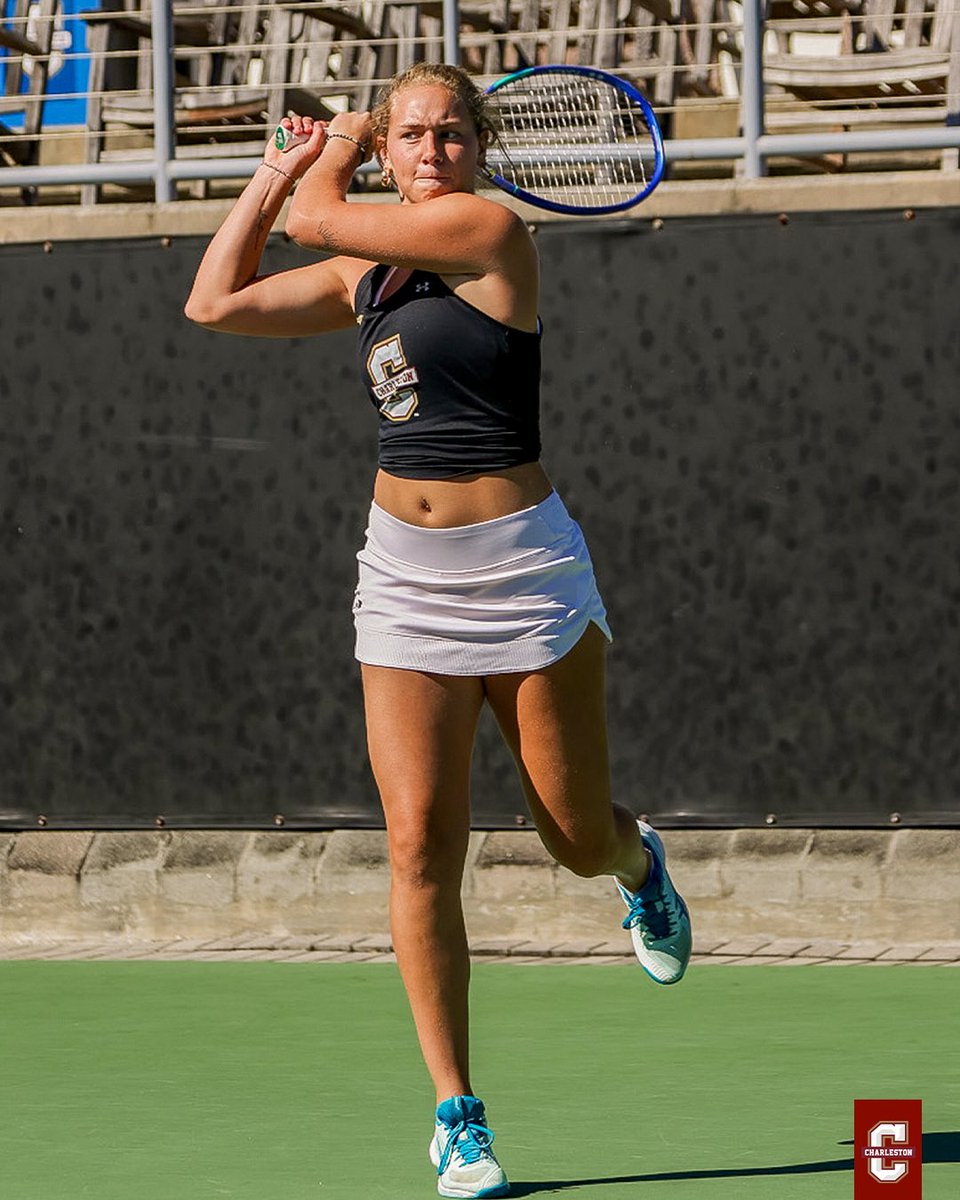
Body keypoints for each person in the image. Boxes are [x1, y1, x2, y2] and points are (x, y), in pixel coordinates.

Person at [185, 62, 692, 1200]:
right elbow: (213, 300)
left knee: (570, 835)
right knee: (418, 844)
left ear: (478, 146)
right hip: (403, 583)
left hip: (525, 576)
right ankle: (456, 1116)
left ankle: (635, 864)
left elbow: (319, 213)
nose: (430, 153)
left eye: (449, 134)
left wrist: (332, 156)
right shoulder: (365, 269)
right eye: (411, 136)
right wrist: (270, 176)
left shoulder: (490, 230)